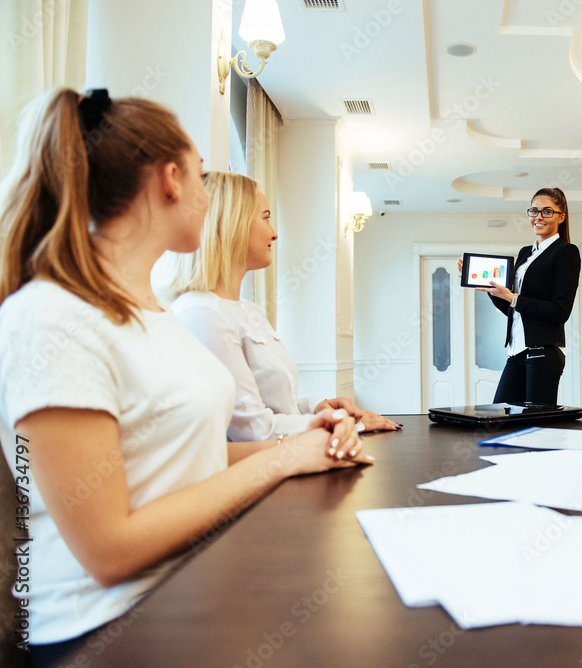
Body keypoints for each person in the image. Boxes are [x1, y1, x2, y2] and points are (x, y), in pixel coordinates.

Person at [0, 89, 371, 658]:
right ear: (172, 180)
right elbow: (109, 550)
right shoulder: (51, 319)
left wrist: (310, 443)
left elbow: (189, 455)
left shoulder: (151, 314)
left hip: (188, 586)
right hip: (103, 630)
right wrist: (281, 458)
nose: (207, 193)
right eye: (201, 176)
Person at [162, 171, 400, 442]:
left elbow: (274, 407)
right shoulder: (201, 313)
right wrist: (343, 425)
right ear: (233, 224)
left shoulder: (248, 310)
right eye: (265, 218)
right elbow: (249, 429)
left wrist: (315, 407)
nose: (274, 234)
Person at [474, 187, 581, 405]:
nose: (538, 217)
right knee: (500, 415)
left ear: (561, 216)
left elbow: (560, 311)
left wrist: (513, 298)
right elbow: (514, 311)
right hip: (516, 353)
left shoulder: (566, 252)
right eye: (534, 211)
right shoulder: (525, 253)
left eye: (547, 211)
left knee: (537, 425)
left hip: (543, 354)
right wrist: (492, 291)